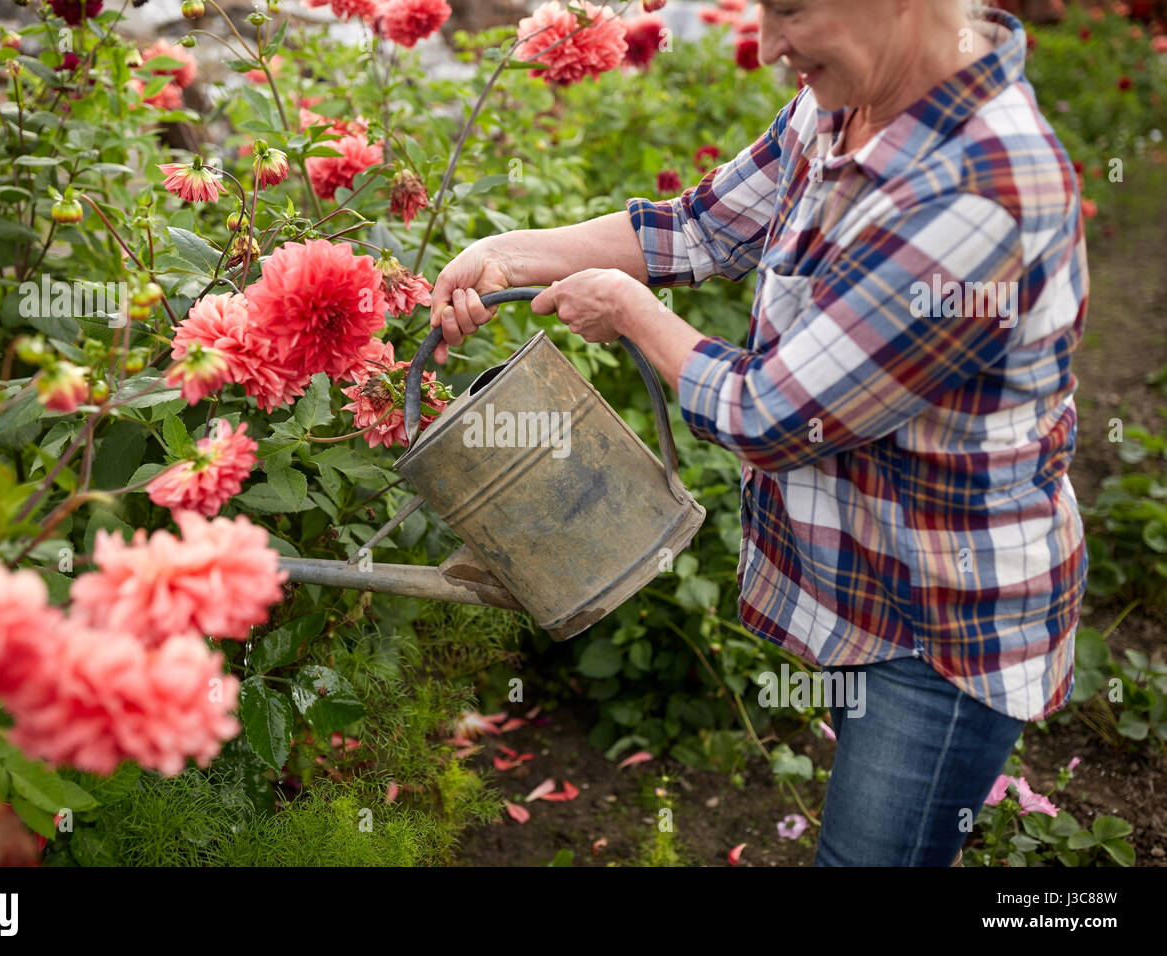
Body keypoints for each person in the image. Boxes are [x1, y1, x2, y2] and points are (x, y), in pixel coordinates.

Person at [428, 0, 1088, 867]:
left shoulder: (984, 189)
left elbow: (773, 415)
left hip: (943, 630)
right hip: (872, 590)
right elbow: (698, 227)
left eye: (790, 11)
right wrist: (512, 252)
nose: (770, 46)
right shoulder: (845, 103)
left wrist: (628, 310)